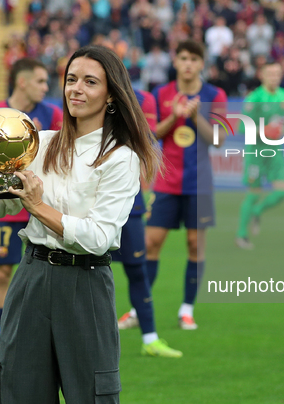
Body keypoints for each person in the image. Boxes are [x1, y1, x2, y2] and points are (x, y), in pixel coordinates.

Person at [0, 44, 161, 402]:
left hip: (85, 286)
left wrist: (37, 206)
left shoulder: (121, 158)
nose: (76, 89)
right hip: (31, 279)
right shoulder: (40, 144)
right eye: (71, 79)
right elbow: (1, 207)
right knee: (18, 392)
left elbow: (99, 237)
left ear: (111, 95)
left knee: (91, 395)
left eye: (90, 82)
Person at [121, 39, 227, 330]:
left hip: (200, 184)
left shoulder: (215, 95)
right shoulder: (162, 93)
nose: (188, 64)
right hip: (166, 183)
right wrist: (176, 117)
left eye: (194, 58)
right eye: (183, 58)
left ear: (202, 64)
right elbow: (151, 134)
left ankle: (187, 309)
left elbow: (218, 139)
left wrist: (196, 117)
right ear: (176, 62)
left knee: (195, 245)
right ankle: (137, 308)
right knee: (150, 243)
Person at [0, 58, 63, 357]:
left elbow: (60, 157)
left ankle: (43, 336)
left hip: (41, 206)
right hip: (6, 204)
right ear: (22, 81)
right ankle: (0, 336)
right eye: (41, 81)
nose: (46, 87)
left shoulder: (52, 114)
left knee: (46, 275)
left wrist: (39, 140)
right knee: (3, 272)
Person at [113, 88, 182, 358]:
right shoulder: (83, 96)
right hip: (89, 201)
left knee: (137, 270)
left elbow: (147, 138)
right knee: (86, 271)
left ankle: (150, 338)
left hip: (130, 201)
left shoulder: (141, 99)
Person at [235, 60, 284, 250]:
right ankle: (242, 235)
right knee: (253, 193)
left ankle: (257, 211)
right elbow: (242, 127)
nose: (274, 77)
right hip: (256, 152)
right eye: (271, 74)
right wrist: (264, 131)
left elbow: (280, 123)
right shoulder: (254, 98)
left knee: (283, 191)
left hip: (274, 151)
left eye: (277, 74)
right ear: (262, 75)